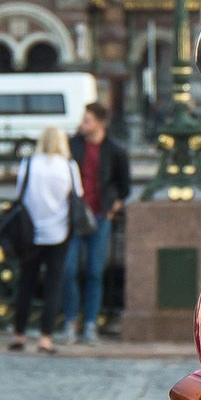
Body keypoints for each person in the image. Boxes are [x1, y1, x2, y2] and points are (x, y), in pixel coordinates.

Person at [59, 103, 130, 345]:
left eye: (88, 120)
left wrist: (115, 206)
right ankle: (70, 321)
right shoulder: (72, 145)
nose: (83, 124)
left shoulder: (115, 150)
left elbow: (124, 185)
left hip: (100, 217)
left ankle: (90, 324)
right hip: (74, 217)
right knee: (68, 270)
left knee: (94, 272)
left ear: (101, 123)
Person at [7, 125, 79, 354]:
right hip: (59, 232)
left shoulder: (29, 164)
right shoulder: (68, 166)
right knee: (53, 285)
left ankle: (19, 334)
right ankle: (45, 338)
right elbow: (77, 195)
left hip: (30, 232)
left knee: (26, 283)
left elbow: (21, 193)